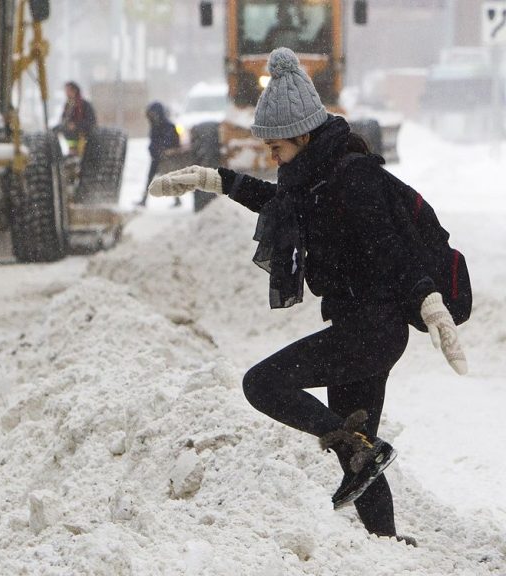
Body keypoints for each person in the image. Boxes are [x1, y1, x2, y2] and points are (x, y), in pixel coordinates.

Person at [147, 47, 467, 544]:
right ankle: (388, 544)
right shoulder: (316, 178)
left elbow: (394, 246)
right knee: (358, 449)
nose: (272, 157)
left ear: (301, 134)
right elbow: (281, 204)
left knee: (262, 384)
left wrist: (430, 303)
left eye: (276, 147)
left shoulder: (354, 177)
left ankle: (367, 470)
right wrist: (216, 179)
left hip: (374, 330)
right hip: (357, 329)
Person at [137, 101, 181, 208]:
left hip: (167, 158)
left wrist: (163, 151)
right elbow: (154, 142)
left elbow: (173, 142)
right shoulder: (155, 127)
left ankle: (177, 199)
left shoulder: (168, 126)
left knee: (169, 178)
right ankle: (144, 200)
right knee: (151, 178)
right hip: (157, 157)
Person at [58, 82, 97, 154]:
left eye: (68, 90)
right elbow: (64, 119)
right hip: (70, 133)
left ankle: (73, 151)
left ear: (74, 90)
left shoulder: (84, 105)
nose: (66, 93)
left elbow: (91, 121)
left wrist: (76, 125)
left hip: (83, 135)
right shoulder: (68, 105)